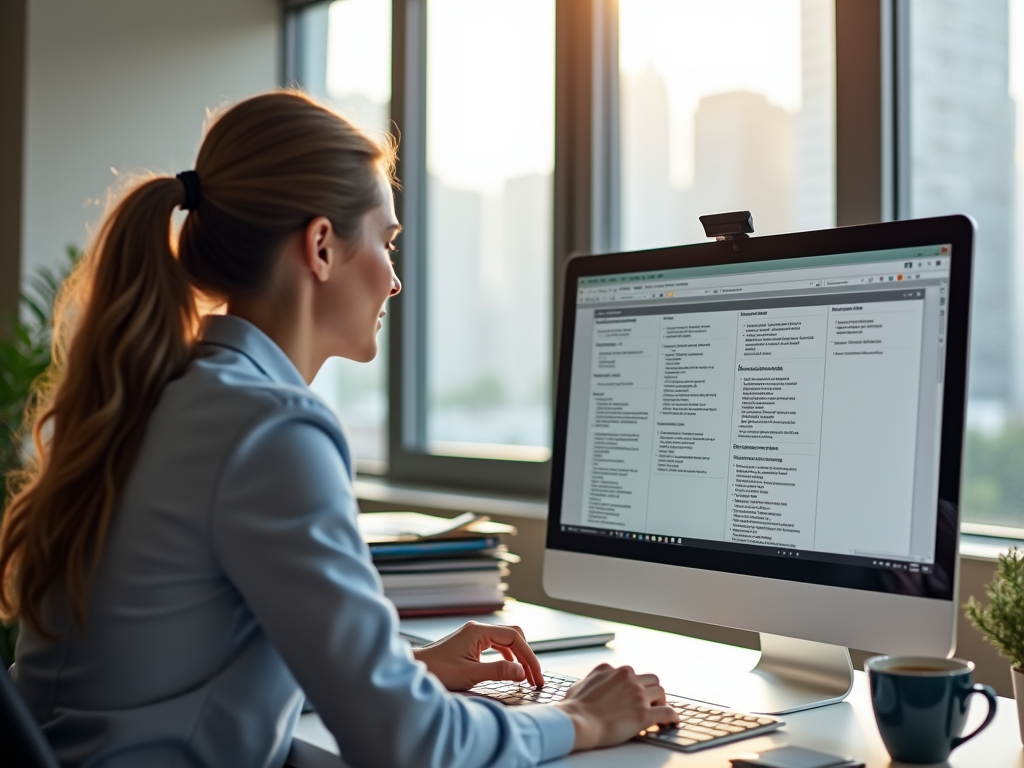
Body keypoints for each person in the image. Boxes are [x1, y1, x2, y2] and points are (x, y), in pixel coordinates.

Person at [0, 91, 677, 768]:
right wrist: (580, 719)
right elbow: (412, 747)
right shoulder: (269, 428)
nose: (395, 281)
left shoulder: (156, 395)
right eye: (387, 242)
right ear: (321, 246)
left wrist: (404, 672)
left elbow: (181, 660)